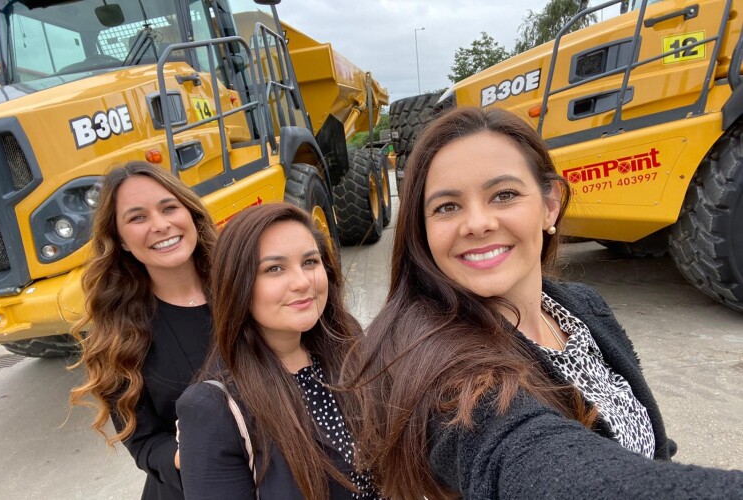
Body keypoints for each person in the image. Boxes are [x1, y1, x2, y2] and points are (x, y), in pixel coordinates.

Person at [346, 107, 743, 499]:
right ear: (423, 228)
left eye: (504, 195)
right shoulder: (437, 366)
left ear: (550, 204)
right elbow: (534, 463)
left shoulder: (582, 308)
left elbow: (646, 434)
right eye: (447, 206)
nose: (478, 223)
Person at [177, 203, 379, 500]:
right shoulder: (214, 408)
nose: (302, 282)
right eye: (274, 268)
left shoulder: (349, 349)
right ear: (237, 284)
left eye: (310, 262)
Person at [69, 161, 217, 500]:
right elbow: (145, 443)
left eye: (169, 208)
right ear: (119, 240)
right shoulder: (117, 335)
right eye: (137, 218)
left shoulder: (247, 291)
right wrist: (187, 453)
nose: (161, 225)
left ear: (190, 213)